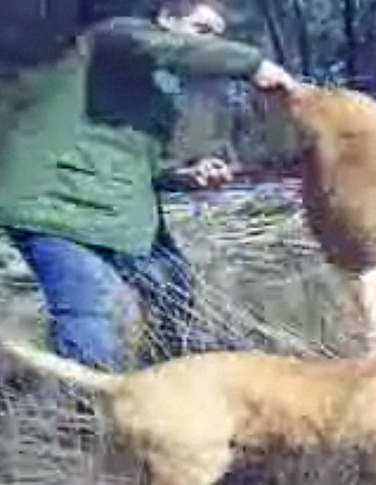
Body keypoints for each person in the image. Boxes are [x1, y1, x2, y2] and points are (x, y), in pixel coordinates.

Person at [0, 0, 304, 371]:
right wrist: (253, 64)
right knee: (89, 311)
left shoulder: (161, 94)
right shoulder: (113, 38)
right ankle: (88, 415)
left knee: (174, 292)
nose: (209, 44)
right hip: (53, 205)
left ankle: (162, 396)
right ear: (164, 19)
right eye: (202, 30)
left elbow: (142, 161)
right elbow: (157, 45)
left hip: (118, 211)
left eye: (217, 36)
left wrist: (183, 173)